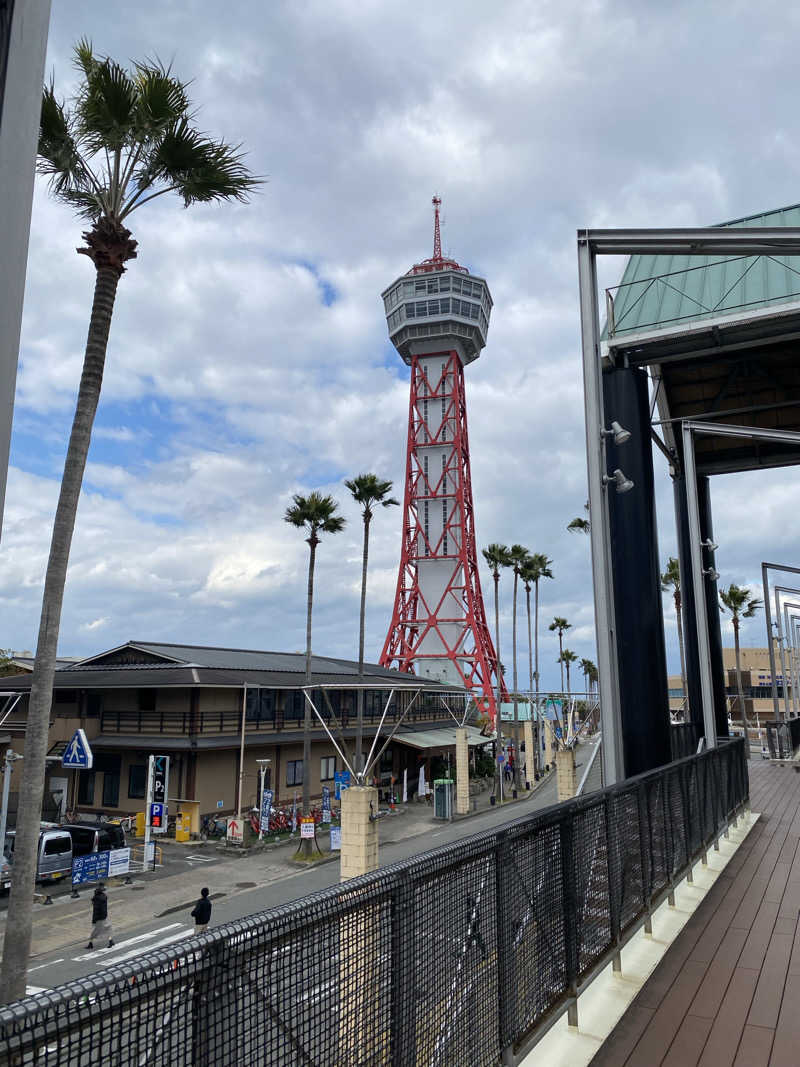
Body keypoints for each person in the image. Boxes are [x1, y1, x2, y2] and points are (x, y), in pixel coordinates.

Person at [87, 883, 113, 950]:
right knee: (107, 928)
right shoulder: (104, 897)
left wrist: (94, 920)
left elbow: (96, 911)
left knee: (95, 932)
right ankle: (110, 941)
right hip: (104, 915)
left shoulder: (96, 901)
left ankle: (90, 943)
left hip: (99, 918)